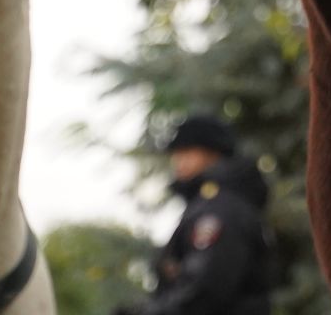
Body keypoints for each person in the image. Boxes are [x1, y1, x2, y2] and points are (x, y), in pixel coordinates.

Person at [116, 114, 276, 315]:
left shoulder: (221, 210)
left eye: (187, 151)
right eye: (176, 153)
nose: (178, 160)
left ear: (213, 154)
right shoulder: (208, 205)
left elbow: (204, 292)